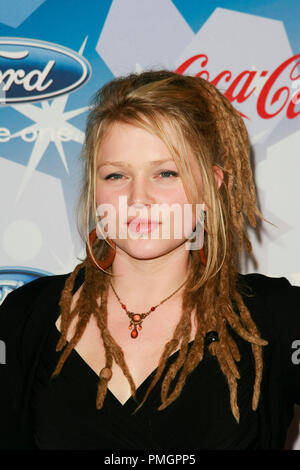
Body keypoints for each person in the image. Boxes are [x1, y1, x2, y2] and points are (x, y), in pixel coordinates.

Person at [0, 70, 299, 451]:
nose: (138, 198)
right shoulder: (25, 317)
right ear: (94, 189)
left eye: (165, 173)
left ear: (212, 184)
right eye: (116, 175)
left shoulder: (275, 318)